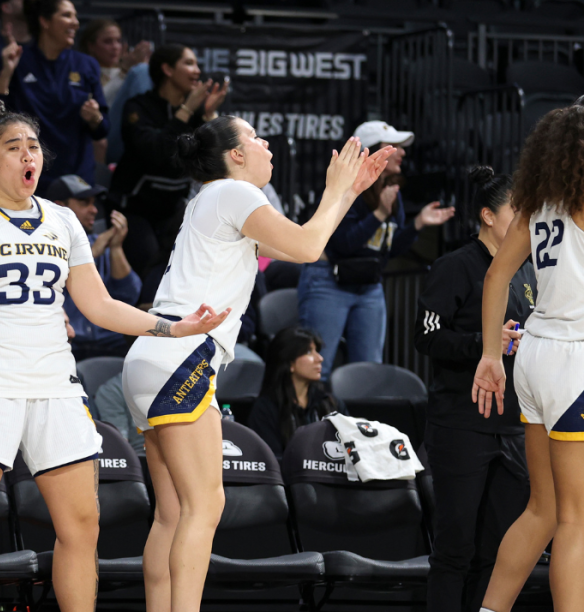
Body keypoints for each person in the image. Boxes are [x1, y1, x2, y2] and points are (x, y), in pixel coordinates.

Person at [0, 99, 229, 612]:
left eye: (35, 147)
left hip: (54, 387)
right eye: (14, 147)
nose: (28, 156)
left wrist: (172, 327)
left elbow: (100, 304)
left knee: (82, 527)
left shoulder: (63, 221)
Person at [122, 118, 392, 612]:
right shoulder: (235, 193)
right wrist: (334, 188)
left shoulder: (213, 198)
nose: (266, 143)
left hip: (151, 359)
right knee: (204, 507)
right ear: (235, 155)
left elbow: (305, 245)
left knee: (172, 513)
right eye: (254, 137)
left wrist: (348, 193)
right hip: (180, 359)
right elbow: (309, 247)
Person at [472, 106, 584, 612]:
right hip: (573, 359)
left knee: (542, 509)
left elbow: (496, 277)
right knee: (575, 520)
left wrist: (491, 355)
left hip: (537, 355)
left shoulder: (538, 203)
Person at [414, 166, 533, 612]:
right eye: (515, 212)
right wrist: (484, 345)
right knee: (454, 552)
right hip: (462, 424)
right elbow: (425, 337)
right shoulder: (455, 267)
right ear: (486, 215)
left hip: (514, 427)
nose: (524, 222)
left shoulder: (527, 271)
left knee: (498, 554)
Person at [297, 121, 456, 380]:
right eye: (393, 147)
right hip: (329, 280)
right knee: (318, 369)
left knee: (368, 371)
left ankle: (361, 422)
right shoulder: (344, 187)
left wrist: (418, 224)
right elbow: (342, 245)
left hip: (369, 286)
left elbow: (388, 249)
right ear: (371, 151)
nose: (402, 152)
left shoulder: (392, 191)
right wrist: (380, 213)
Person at [110, 44, 227, 276]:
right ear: (167, 69)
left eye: (196, 64)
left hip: (174, 209)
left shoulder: (197, 112)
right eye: (189, 63)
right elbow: (158, 153)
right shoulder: (138, 107)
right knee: (150, 265)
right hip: (134, 209)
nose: (197, 71)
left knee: (186, 269)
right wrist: (184, 111)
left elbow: (221, 159)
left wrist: (209, 115)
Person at [0, 0, 108, 188]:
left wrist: (95, 118)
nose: (76, 23)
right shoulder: (18, 59)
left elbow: (103, 128)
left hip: (77, 176)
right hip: (30, 174)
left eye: (76, 17)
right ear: (45, 21)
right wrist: (6, 72)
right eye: (67, 15)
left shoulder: (86, 64)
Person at [48, 174, 141, 360]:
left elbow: (129, 295)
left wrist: (115, 248)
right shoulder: (41, 247)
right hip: (69, 344)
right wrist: (92, 253)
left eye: (93, 203)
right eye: (84, 203)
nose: (94, 210)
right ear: (60, 207)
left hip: (111, 341)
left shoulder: (97, 243)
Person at [248, 327, 346, 458]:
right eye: (308, 352)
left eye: (317, 351)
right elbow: (270, 462)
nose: (320, 358)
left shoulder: (330, 403)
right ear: (289, 363)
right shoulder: (266, 409)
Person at [78, 19, 151, 165]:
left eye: (118, 41)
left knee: (145, 71)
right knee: (141, 70)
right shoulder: (83, 70)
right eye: (108, 42)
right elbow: (101, 104)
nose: (115, 47)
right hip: (103, 136)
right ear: (91, 46)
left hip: (129, 133)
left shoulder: (131, 72)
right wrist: (124, 71)